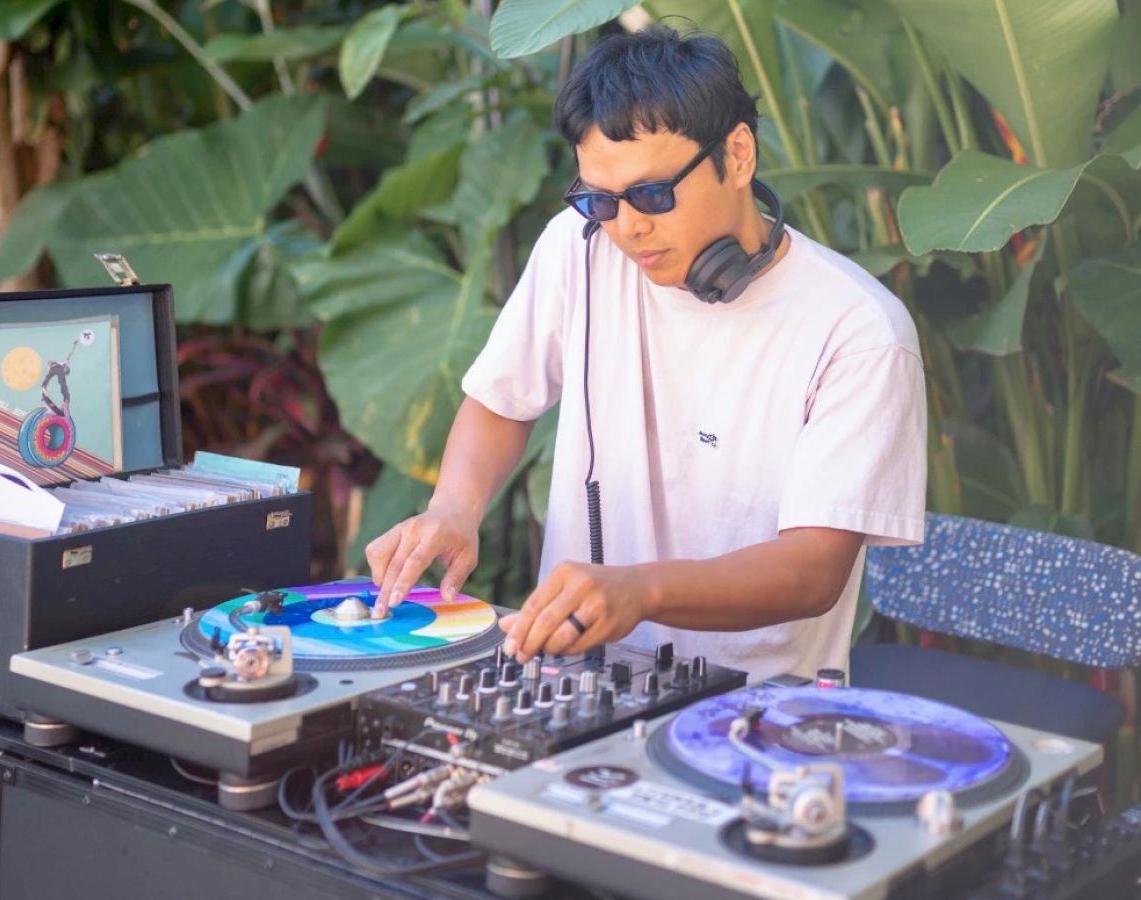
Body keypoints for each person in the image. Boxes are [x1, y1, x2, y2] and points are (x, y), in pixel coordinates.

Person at [365, 24, 926, 682]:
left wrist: (640, 593)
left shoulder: (859, 331)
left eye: (653, 195)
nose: (627, 227)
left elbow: (813, 570)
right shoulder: (578, 247)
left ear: (739, 156)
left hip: (753, 716)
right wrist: (453, 508)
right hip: (567, 679)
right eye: (601, 200)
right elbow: (500, 401)